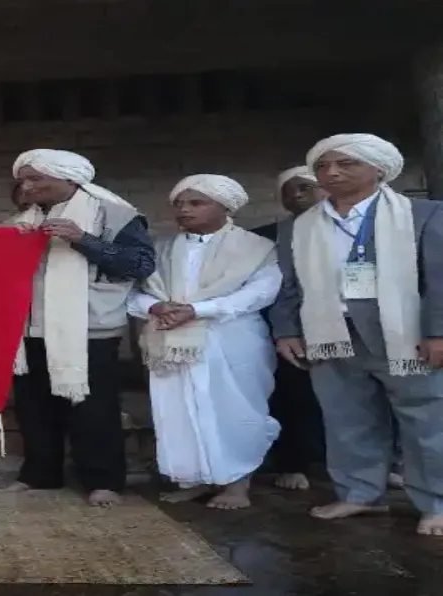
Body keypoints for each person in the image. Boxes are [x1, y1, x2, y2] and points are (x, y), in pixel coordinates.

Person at [270, 133, 443, 536]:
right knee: (346, 418)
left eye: (346, 163)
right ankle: (360, 494)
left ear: (378, 169)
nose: (330, 172)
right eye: (323, 166)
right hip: (329, 333)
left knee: (426, 418)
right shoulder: (298, 227)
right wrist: (286, 331)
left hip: (403, 333)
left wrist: (438, 333)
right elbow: (286, 285)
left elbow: (439, 279)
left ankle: (435, 502)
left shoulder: (424, 215)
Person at [0, 149, 155, 507]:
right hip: (30, 329)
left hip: (89, 329)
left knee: (93, 408)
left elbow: (141, 264)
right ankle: (40, 474)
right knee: (34, 407)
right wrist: (10, 245)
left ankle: (103, 480)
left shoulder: (116, 214)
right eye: (24, 178)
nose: (27, 185)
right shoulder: (20, 219)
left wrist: (83, 238)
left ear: (69, 178)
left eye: (36, 178)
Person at [130, 174, 281, 509]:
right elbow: (134, 294)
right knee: (177, 413)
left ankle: (237, 483)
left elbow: (262, 292)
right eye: (179, 204)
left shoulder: (257, 248)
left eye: (196, 203)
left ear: (226, 208)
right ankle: (194, 478)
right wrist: (156, 306)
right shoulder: (161, 249)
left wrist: (197, 310)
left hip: (230, 340)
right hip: (169, 340)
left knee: (236, 410)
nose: (184, 210)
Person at [253, 167, 328, 491]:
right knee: (293, 397)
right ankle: (294, 464)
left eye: (305, 187)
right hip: (290, 331)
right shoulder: (266, 237)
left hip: (352, 329)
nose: (296, 195)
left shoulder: (355, 228)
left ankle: (377, 468)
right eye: (289, 190)